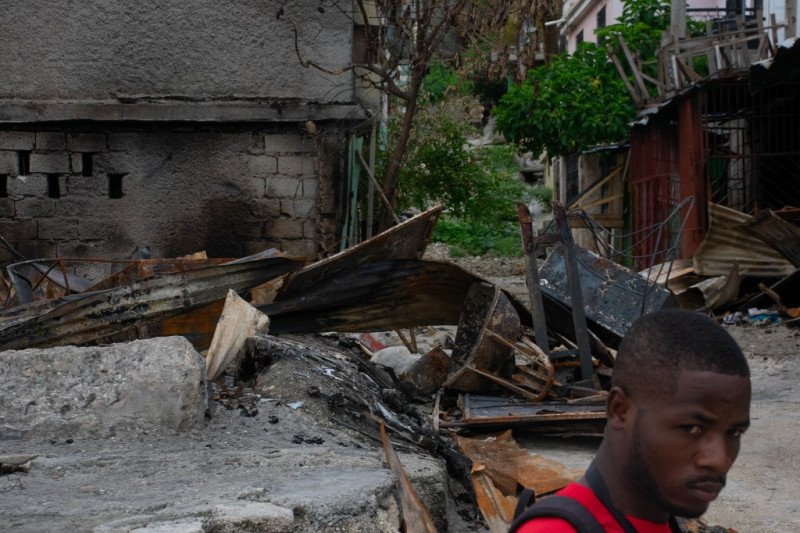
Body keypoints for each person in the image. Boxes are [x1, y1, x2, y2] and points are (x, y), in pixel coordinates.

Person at [510, 309, 751, 532]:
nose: (719, 460)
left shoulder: (660, 520)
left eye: (734, 433)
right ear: (620, 410)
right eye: (692, 428)